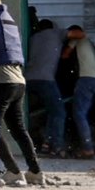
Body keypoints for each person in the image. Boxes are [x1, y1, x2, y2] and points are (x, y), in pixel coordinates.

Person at [0, 0, 43, 186]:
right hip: (18, 82)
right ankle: (35, 171)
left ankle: (13, 171)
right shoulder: (9, 22)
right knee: (18, 129)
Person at [52, 25, 95, 158]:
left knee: (79, 114)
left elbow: (64, 55)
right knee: (85, 115)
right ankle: (88, 145)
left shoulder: (78, 40)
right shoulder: (90, 44)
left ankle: (88, 149)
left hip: (86, 79)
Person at [26, 18, 65, 154]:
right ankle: (56, 146)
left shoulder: (33, 38)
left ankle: (45, 144)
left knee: (40, 112)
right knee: (59, 112)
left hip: (29, 78)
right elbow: (78, 34)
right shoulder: (56, 34)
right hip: (45, 79)